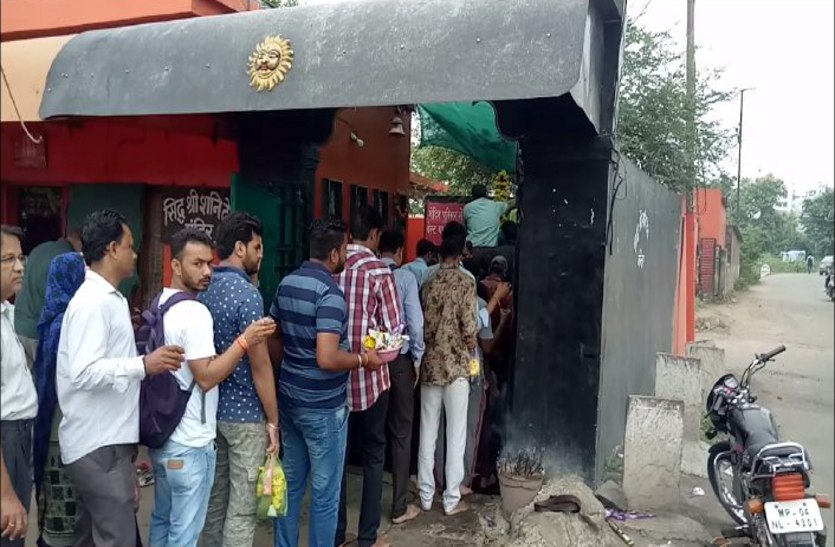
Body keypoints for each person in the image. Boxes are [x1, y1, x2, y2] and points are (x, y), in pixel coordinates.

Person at [56, 210, 185, 547]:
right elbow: (83, 372)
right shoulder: (93, 303)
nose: (135, 254)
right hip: (99, 444)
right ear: (112, 249)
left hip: (106, 442)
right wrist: (143, 365)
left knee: (91, 537)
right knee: (118, 539)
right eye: (130, 246)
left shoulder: (106, 299)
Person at [149, 228, 276, 547]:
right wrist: (245, 341)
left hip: (170, 431)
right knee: (226, 518)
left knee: (174, 517)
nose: (207, 271)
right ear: (176, 266)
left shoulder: (163, 302)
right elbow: (210, 375)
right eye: (198, 264)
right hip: (199, 436)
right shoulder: (199, 311)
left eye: (209, 262)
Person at [268, 218, 384, 547]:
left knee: (291, 485)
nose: (346, 255)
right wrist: (363, 359)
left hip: (290, 400)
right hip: (323, 408)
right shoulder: (331, 295)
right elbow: (327, 357)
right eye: (345, 249)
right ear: (334, 254)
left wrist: (289, 368)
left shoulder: (287, 284)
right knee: (325, 494)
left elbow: (274, 335)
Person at [198, 213, 279, 547]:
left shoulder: (203, 286)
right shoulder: (247, 295)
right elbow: (260, 365)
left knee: (214, 503)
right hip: (245, 417)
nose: (261, 255)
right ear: (239, 248)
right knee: (242, 512)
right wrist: (273, 420)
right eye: (257, 247)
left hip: (210, 411)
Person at [335, 206, 402, 547]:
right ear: (375, 235)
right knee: (374, 454)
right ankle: (367, 537)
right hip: (372, 378)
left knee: (338, 458)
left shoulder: (334, 265)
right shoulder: (379, 271)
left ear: (350, 234)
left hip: (335, 376)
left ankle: (336, 534)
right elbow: (394, 327)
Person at [418, 221, 477, 517]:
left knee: (427, 432)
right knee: (456, 434)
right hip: (456, 368)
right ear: (461, 250)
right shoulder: (467, 283)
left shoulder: (427, 282)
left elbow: (423, 326)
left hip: (430, 365)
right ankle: (451, 499)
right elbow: (470, 329)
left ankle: (425, 496)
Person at [32, 252, 86, 547]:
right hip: (63, 425)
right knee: (65, 504)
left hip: (50, 421)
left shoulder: (50, 316)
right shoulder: (68, 321)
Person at [378, 228, 425, 525]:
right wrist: (417, 358)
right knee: (402, 431)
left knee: (372, 431)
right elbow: (415, 325)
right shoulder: (405, 278)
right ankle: (398, 506)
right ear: (399, 252)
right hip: (399, 360)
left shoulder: (367, 274)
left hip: (370, 359)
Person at [1, 225, 38, 547]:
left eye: (21, 258)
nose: (19, 267)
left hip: (20, 436)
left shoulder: (9, 313)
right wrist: (5, 493)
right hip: (7, 438)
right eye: (8, 259)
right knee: (10, 530)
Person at [13, 227, 82, 369]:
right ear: (79, 242)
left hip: (18, 325)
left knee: (26, 378)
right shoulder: (67, 260)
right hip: (38, 333)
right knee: (46, 379)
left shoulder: (40, 249)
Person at [462, 185, 515, 249]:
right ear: (486, 194)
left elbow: (464, 228)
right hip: (491, 248)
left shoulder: (467, 208)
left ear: (472, 195)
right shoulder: (495, 205)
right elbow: (510, 204)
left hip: (473, 248)